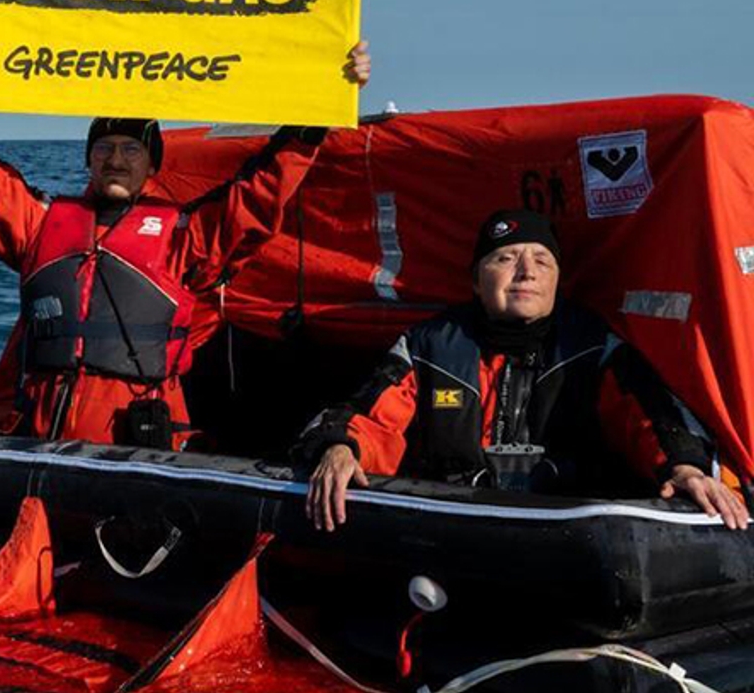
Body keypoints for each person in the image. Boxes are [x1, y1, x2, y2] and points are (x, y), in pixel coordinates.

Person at [0, 21, 371, 447]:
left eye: (131, 150)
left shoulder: (186, 238)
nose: (116, 159)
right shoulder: (42, 224)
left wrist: (319, 109)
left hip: (137, 442)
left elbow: (260, 195)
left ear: (151, 164)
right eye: (105, 148)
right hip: (38, 434)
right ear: (88, 159)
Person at [300, 208, 749, 531]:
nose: (525, 272)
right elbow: (371, 413)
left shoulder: (594, 346)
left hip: (567, 539)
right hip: (452, 531)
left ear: (557, 280)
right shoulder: (427, 345)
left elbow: (652, 418)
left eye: (541, 260)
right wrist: (341, 448)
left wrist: (685, 468)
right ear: (476, 280)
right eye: (505, 258)